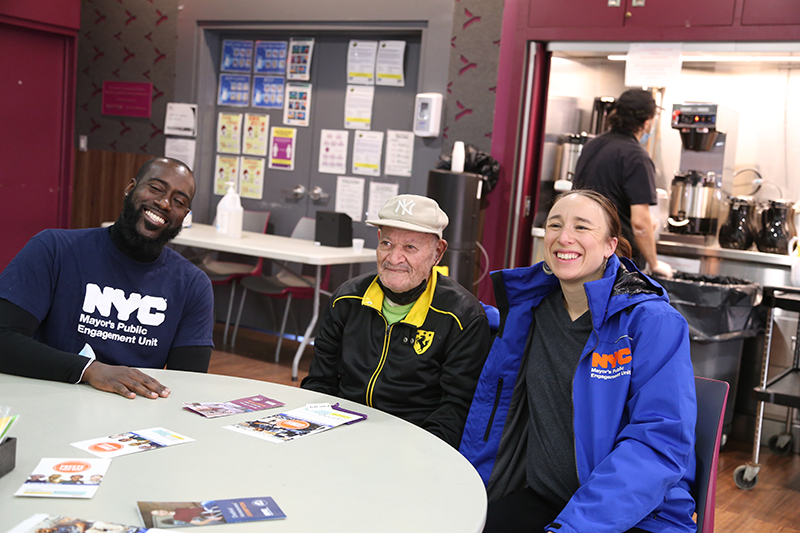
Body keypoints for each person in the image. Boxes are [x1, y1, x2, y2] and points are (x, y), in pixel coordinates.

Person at [459, 190, 697, 533]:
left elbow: (658, 442)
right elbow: (482, 323)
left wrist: (575, 526)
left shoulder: (651, 322)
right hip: (544, 498)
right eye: (554, 225)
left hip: (636, 515)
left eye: (582, 227)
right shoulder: (530, 311)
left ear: (609, 246)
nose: (564, 236)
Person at [0, 157, 214, 399]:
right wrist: (89, 370)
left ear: (184, 215)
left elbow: (189, 384)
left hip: (132, 420)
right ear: (131, 188)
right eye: (155, 188)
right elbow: (3, 337)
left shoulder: (193, 285)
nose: (164, 203)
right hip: (47, 401)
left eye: (178, 201)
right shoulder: (53, 249)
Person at [301, 194, 491, 448]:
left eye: (410, 247)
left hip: (412, 443)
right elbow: (319, 382)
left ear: (438, 252)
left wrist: (417, 455)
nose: (393, 258)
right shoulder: (346, 299)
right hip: (341, 433)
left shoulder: (462, 317)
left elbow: (455, 409)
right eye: (387, 243)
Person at [572, 89, 673, 278]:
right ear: (647, 122)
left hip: (583, 253)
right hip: (615, 262)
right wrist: (654, 263)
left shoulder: (593, 146)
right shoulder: (636, 157)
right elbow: (640, 223)